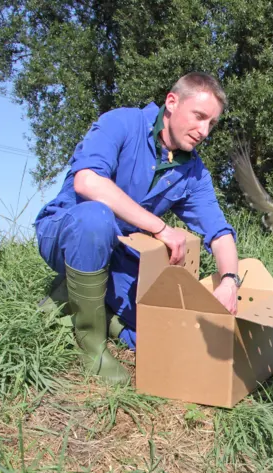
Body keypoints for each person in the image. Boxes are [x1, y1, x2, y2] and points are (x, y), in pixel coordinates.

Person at [35, 72, 240, 385]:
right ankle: (92, 347)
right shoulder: (122, 123)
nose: (204, 131)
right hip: (68, 231)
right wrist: (160, 227)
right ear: (172, 102)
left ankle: (78, 301)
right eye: (199, 117)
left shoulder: (193, 171)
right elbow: (87, 180)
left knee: (158, 333)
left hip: (120, 252)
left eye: (211, 124)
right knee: (96, 218)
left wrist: (229, 280)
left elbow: (220, 233)